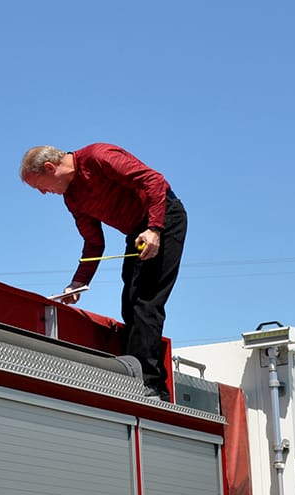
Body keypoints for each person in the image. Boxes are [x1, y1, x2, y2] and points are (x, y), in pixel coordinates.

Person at [20, 143, 186, 401]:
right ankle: (137, 379)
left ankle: (152, 386)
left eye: (39, 185)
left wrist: (154, 229)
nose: (43, 193)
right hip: (136, 232)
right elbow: (94, 242)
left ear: (50, 168)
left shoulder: (98, 157)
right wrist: (78, 282)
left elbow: (154, 180)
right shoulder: (72, 198)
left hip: (163, 219)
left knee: (146, 301)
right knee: (129, 305)